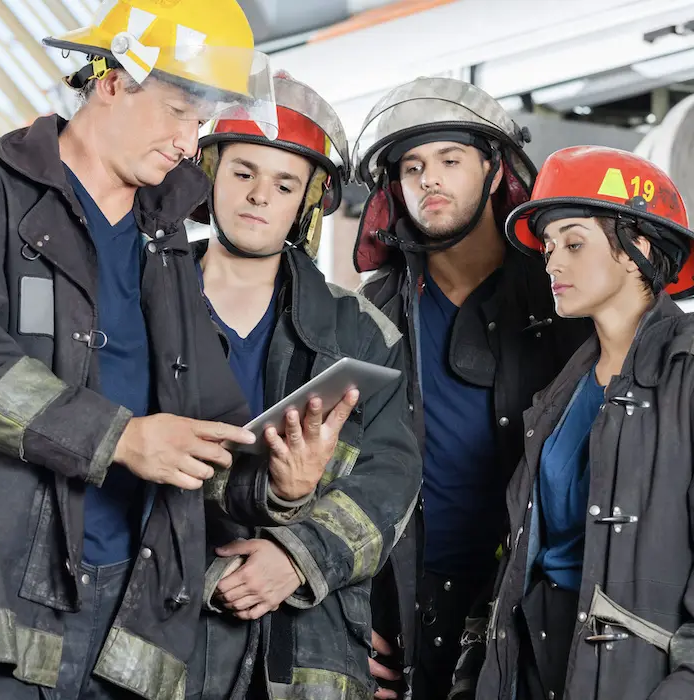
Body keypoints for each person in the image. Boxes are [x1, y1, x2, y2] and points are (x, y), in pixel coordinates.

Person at [0, 3, 323, 699]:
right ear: (110, 82)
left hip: (127, 611)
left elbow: (210, 419)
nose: (187, 143)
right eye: (177, 112)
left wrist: (278, 488)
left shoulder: (162, 242)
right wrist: (121, 438)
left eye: (198, 124)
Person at [452, 145, 694, 700]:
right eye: (550, 246)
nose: (552, 262)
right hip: (548, 670)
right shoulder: (560, 393)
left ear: (636, 249)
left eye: (573, 243)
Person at [349, 77, 592, 700]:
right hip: (413, 615)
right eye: (412, 166)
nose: (429, 179)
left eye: (450, 160)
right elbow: (333, 476)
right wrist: (344, 623)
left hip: (539, 609)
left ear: (493, 171)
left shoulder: (566, 298)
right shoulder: (365, 320)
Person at [185, 70, 422, 700]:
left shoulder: (362, 333)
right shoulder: (142, 305)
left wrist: (296, 558)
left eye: (284, 182)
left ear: (309, 200)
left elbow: (390, 481)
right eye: (243, 173)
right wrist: (214, 571)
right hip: (167, 638)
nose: (260, 196)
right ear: (209, 177)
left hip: (308, 653)